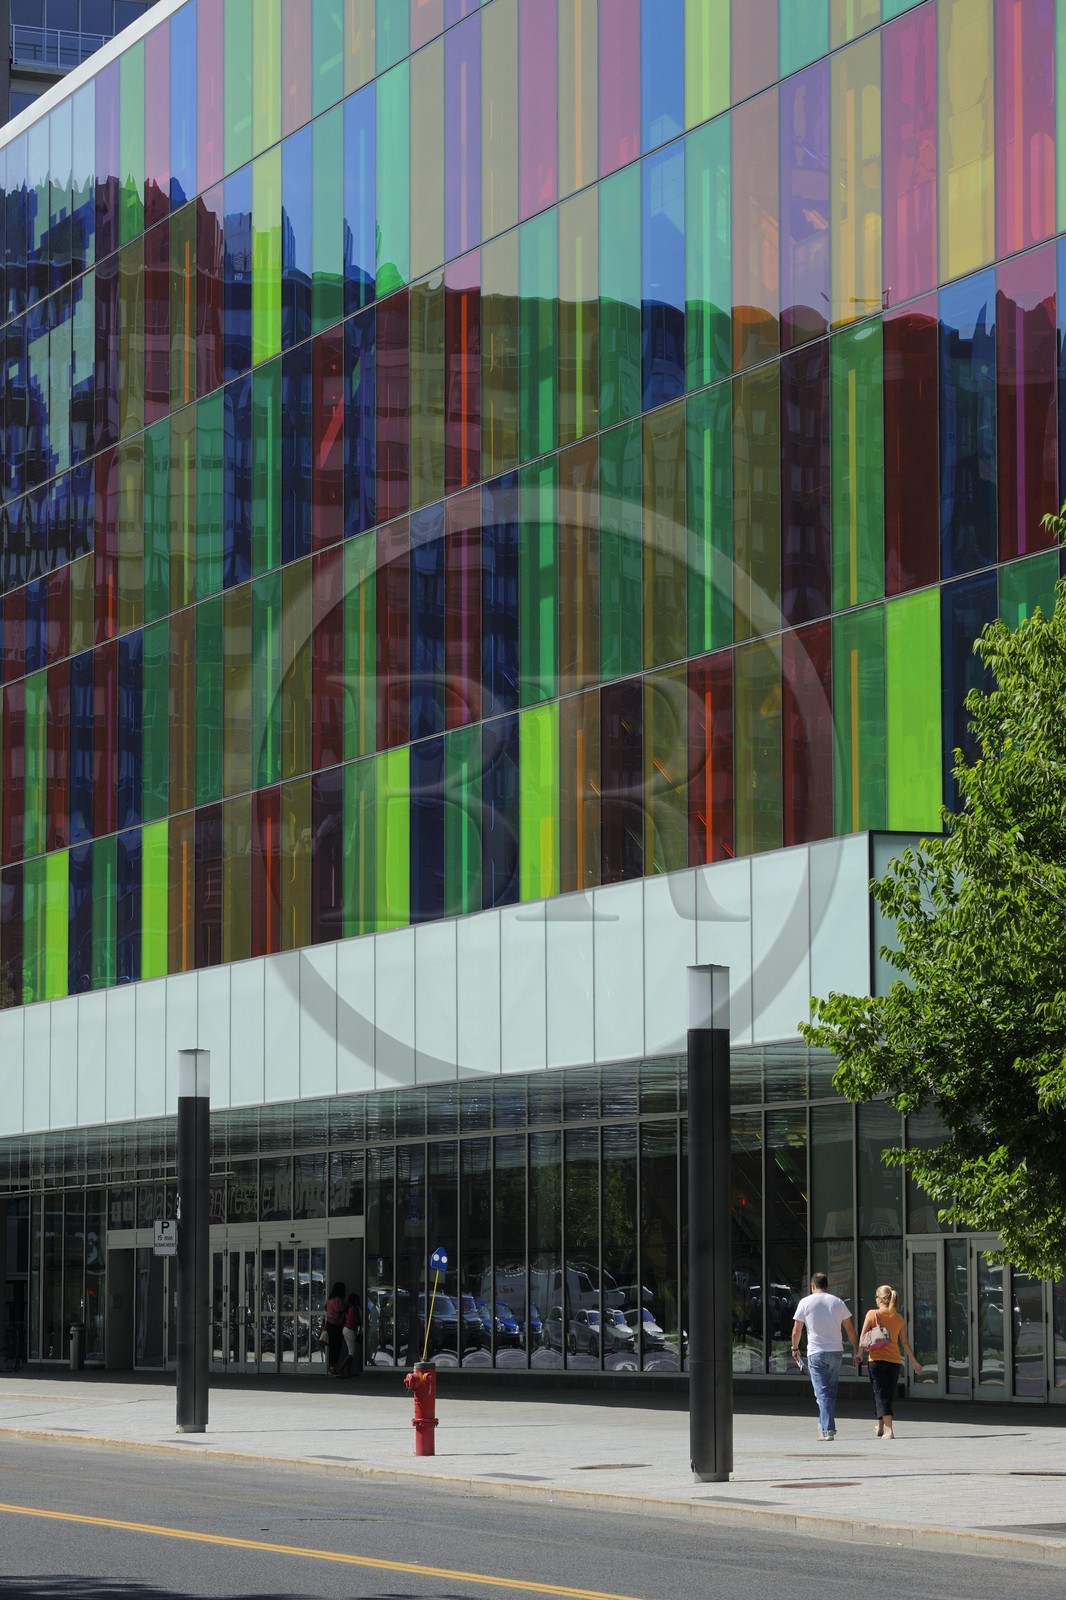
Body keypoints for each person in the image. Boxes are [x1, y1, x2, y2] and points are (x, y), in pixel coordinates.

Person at [791, 1272, 860, 1440]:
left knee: (822, 1392)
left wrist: (794, 1348)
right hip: (836, 1351)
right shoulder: (837, 1302)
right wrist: (857, 1350)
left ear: (813, 1286)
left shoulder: (805, 1302)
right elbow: (850, 1330)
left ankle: (828, 1430)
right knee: (829, 1391)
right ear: (827, 1286)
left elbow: (796, 1330)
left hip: (816, 1352)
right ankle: (822, 1428)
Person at [858, 1284, 922, 1438]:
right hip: (895, 1361)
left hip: (877, 1361)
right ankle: (880, 1427)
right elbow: (905, 1342)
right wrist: (914, 1362)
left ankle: (889, 1430)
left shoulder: (872, 1314)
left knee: (881, 1394)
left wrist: (859, 1353)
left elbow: (863, 1337)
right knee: (885, 1394)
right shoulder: (898, 1318)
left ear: (880, 1299)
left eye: (876, 1296)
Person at [337, 1292, 362, 1378]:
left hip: (346, 1329)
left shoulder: (348, 1308)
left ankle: (347, 1372)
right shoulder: (354, 1309)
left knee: (351, 1353)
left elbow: (342, 1321)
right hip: (350, 1330)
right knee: (351, 1353)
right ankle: (341, 1370)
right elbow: (357, 1321)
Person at [324, 1281, 346, 1377]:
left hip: (329, 1324)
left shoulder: (330, 1299)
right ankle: (333, 1368)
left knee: (332, 1346)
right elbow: (340, 1311)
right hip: (337, 1325)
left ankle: (331, 1367)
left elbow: (325, 1307)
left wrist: (330, 1313)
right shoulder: (339, 1300)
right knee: (337, 1347)